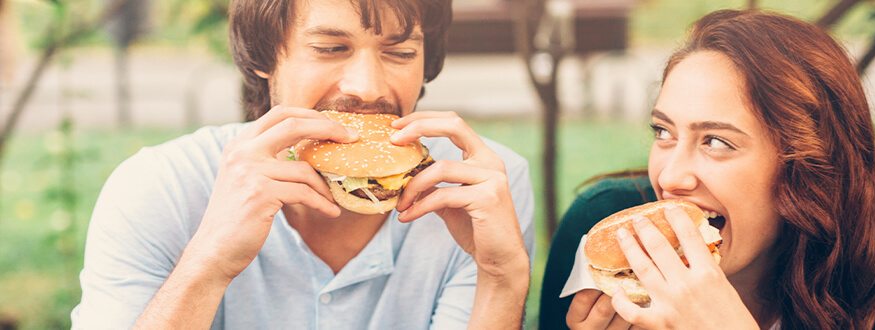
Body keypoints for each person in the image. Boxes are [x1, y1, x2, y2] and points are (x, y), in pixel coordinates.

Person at [73, 0, 535, 328]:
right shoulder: (160, 187)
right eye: (330, 48)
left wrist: (502, 280)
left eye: (400, 52)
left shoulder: (481, 187)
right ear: (262, 56)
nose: (368, 87)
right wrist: (208, 260)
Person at [540, 10, 875, 330]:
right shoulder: (600, 229)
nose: (669, 178)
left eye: (716, 141)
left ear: (808, 169)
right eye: (663, 132)